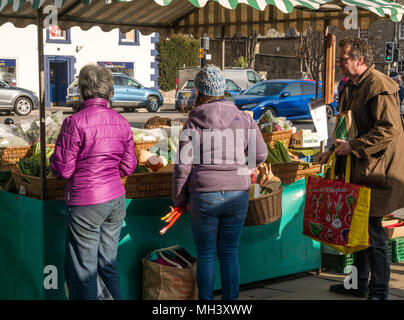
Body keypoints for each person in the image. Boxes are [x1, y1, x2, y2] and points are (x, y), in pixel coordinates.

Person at [318, 38, 404, 300]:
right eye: (340, 60)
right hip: (360, 169)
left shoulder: (379, 85)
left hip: (378, 172)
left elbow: (389, 129)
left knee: (374, 235)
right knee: (357, 231)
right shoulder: (351, 86)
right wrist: (332, 151)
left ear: (361, 60)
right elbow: (346, 127)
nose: (340, 65)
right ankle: (358, 284)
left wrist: (353, 146)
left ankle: (379, 292)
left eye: (344, 60)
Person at [172, 65, 268, 300]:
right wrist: (243, 165)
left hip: (204, 195)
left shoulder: (193, 121)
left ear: (199, 91)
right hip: (238, 194)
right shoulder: (244, 119)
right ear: (223, 89)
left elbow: (183, 166)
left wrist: (178, 198)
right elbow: (261, 155)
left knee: (206, 255)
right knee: (229, 253)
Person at [50, 64, 137, 300]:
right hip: (116, 200)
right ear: (109, 90)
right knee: (108, 264)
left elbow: (63, 170)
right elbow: (129, 166)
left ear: (82, 89)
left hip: (86, 203)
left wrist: (52, 160)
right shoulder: (122, 122)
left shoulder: (74, 122)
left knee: (85, 271)